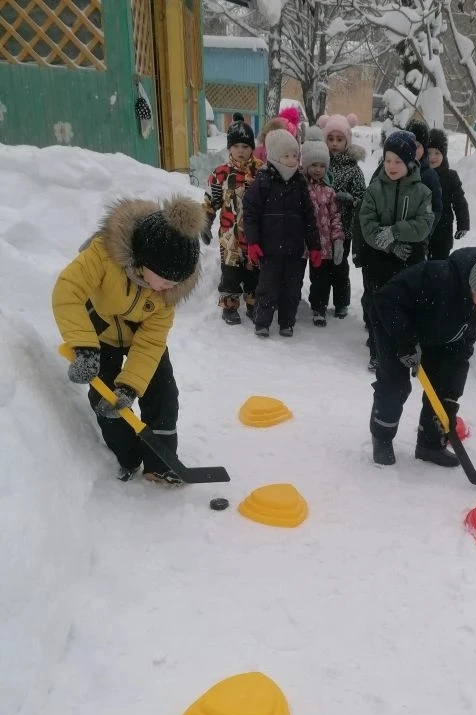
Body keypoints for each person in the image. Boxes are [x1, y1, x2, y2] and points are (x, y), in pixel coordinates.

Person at [52, 195, 203, 486]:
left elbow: (151, 342)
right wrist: (84, 348)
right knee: (107, 402)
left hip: (140, 339)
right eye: (166, 280)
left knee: (163, 396)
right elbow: (67, 292)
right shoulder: (103, 255)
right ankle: (128, 456)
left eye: (176, 283)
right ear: (144, 261)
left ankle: (160, 464)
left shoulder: (168, 294)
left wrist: (131, 386)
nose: (169, 288)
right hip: (101, 335)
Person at [368, 233, 476, 467]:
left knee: (446, 386)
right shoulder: (438, 278)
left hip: (436, 333)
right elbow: (385, 300)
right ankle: (382, 437)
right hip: (394, 325)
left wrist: (453, 382)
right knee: (395, 385)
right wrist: (406, 341)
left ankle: (430, 445)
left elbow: (464, 343)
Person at [358, 129, 433, 371]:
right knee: (378, 304)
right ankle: (377, 350)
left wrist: (397, 231)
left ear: (410, 162)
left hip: (410, 259)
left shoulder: (423, 192)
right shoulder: (374, 189)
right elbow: (367, 225)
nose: (391, 166)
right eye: (388, 160)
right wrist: (390, 244)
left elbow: (424, 225)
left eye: (398, 161)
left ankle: (404, 347)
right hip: (379, 258)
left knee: (406, 305)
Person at [243, 127, 322, 338]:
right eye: (286, 155)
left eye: (295, 155)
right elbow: (250, 212)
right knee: (267, 287)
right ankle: (262, 322)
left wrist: (314, 246)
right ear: (275, 156)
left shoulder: (299, 183)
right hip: (269, 249)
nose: (292, 160)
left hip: (294, 250)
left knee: (292, 289)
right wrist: (252, 241)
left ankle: (287, 322)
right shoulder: (263, 181)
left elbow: (309, 217)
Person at [203, 112, 262, 325]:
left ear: (252, 148)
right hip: (230, 236)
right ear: (229, 148)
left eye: (245, 146)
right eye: (236, 146)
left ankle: (254, 303)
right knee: (230, 272)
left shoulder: (261, 172)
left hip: (255, 235)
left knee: (255, 271)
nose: (240, 150)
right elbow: (211, 201)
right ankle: (229, 306)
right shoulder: (220, 174)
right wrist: (206, 222)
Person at [318, 112, 367, 319]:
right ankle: (319, 302)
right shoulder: (320, 164)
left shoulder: (353, 169)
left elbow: (362, 197)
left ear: (347, 141)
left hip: (344, 227)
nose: (335, 143)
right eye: (330, 139)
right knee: (321, 266)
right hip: (322, 226)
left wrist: (351, 199)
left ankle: (341, 302)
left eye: (339, 139)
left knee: (339, 266)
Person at [300, 135, 345, 327]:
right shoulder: (300, 187)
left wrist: (338, 239)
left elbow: (335, 217)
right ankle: (291, 302)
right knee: (294, 276)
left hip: (323, 244)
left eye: (322, 166)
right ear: (306, 165)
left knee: (320, 279)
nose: (318, 169)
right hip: (301, 242)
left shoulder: (329, 191)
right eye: (313, 165)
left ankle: (319, 307)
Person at [427, 128, 470, 260]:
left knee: (440, 262)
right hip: (421, 228)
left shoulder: (451, 177)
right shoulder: (420, 174)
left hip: (443, 229)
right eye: (429, 152)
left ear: (444, 154)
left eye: (437, 153)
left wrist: (463, 224)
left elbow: (459, 201)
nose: (432, 157)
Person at [405, 118, 443, 234]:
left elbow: (436, 208)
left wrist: (424, 233)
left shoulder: (430, 176)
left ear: (424, 148)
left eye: (418, 145)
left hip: (417, 236)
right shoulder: (392, 168)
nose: (413, 148)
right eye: (410, 143)